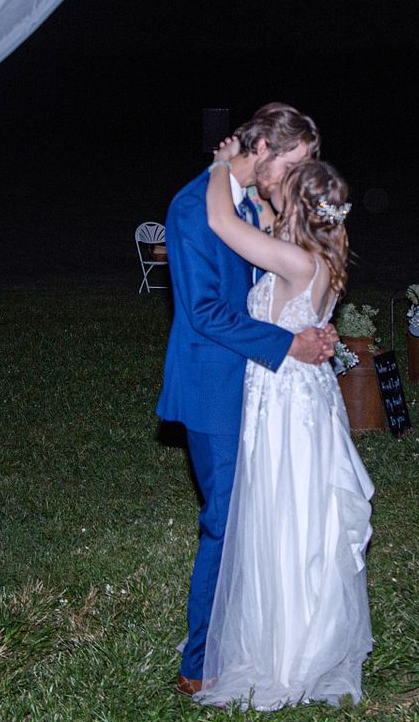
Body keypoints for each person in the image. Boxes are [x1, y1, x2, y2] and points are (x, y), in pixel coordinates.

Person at [156, 103, 337, 697]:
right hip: (215, 389)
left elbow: (281, 281)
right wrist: (291, 344)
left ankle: (250, 634)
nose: (298, 176)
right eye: (293, 162)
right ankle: (199, 664)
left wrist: (308, 326)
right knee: (225, 522)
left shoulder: (263, 205)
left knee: (259, 520)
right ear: (261, 149)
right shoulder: (192, 207)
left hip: (266, 394)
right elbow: (206, 311)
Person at [195, 140, 375, 711]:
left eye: (284, 192)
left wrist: (221, 163)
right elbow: (267, 221)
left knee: (284, 512)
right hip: (306, 398)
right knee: (303, 513)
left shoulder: (295, 262)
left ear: (298, 209)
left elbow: (221, 221)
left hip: (284, 405)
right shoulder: (326, 255)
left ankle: (288, 651)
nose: (273, 193)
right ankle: (296, 633)